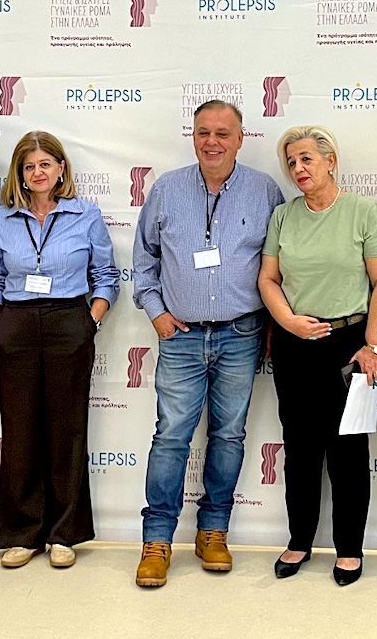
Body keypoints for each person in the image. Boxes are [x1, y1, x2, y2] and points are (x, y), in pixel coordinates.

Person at [133, 100, 284, 587]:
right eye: (203, 132)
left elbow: (280, 264)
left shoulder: (265, 191)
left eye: (222, 133)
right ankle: (157, 539)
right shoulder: (166, 189)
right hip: (180, 336)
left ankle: (213, 531)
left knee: (229, 435)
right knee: (171, 437)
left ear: (241, 139)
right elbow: (144, 260)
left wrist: (273, 324)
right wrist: (156, 313)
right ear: (193, 136)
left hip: (241, 335)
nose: (212, 142)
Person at [259, 125, 377, 586]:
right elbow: (268, 279)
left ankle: (350, 548)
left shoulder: (363, 213)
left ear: (330, 161)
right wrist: (288, 321)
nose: (298, 169)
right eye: (291, 162)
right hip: (295, 343)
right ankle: (299, 540)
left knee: (348, 451)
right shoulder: (283, 217)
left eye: (307, 159)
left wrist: (372, 346)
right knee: (299, 449)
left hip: (348, 344)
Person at [0, 131, 120, 568]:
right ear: (19, 174)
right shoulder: (4, 217)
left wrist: (90, 320)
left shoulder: (85, 214)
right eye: (29, 166)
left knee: (67, 429)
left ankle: (64, 533)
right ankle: (23, 534)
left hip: (68, 321)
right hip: (17, 323)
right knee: (19, 430)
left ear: (61, 168)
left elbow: (106, 274)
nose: (37, 172)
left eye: (45, 164)